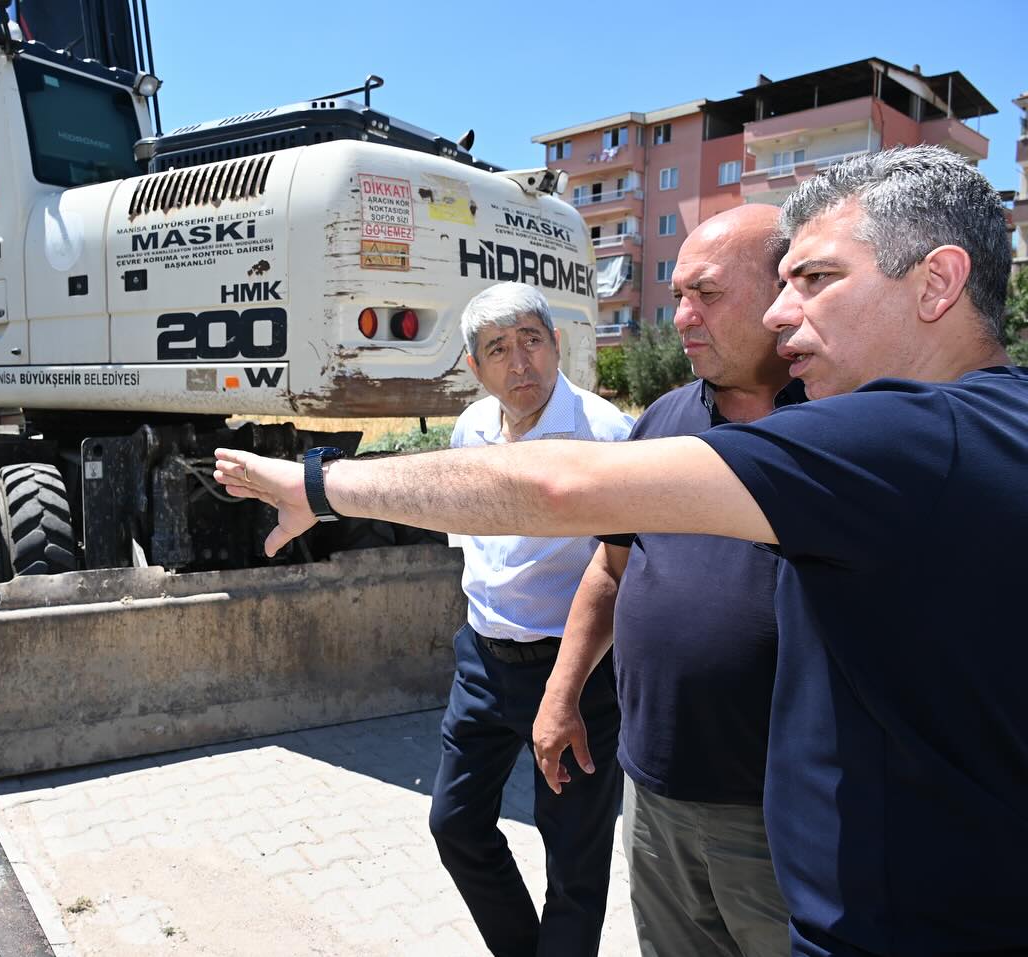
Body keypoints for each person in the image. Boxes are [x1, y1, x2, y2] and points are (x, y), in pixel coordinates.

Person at [213, 145, 1026, 957]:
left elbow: (562, 487)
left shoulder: (912, 438)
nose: (783, 315)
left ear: (938, 281)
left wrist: (318, 486)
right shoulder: (981, 425)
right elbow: (613, 566)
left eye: (815, 280)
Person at [533, 205, 796, 957]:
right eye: (677, 295)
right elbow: (610, 570)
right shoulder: (662, 421)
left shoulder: (835, 425)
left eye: (705, 295)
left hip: (779, 816)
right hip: (654, 793)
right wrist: (560, 694)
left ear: (781, 291)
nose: (681, 317)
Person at [428, 282, 633, 957]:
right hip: (484, 662)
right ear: (473, 367)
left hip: (577, 671)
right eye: (499, 349)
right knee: (455, 824)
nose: (521, 364)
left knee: (574, 862)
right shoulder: (471, 430)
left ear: (556, 344)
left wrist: (567, 687)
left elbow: (621, 570)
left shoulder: (606, 434)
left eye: (532, 341)